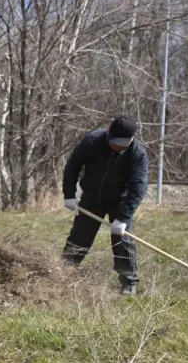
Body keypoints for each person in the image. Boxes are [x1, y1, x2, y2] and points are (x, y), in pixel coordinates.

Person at [61, 115, 149, 295]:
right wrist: (69, 194)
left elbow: (138, 188)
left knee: (122, 241)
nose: (117, 147)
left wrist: (123, 218)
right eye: (114, 142)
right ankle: (63, 272)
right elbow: (73, 166)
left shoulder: (137, 154)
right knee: (80, 236)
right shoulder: (92, 141)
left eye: (122, 144)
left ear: (131, 139)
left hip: (120, 202)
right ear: (109, 134)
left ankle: (128, 282)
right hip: (92, 198)